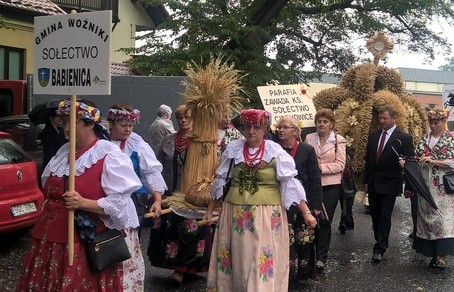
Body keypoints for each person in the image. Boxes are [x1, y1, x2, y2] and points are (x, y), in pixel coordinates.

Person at [17, 100, 142, 291]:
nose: (66, 128)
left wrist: (83, 202)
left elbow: (120, 204)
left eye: (72, 123)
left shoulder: (107, 154)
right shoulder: (63, 152)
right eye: (64, 122)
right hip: (48, 239)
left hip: (83, 244)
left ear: (90, 123)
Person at [203, 109, 317, 291]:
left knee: (259, 259)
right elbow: (221, 181)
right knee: (240, 259)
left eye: (257, 127)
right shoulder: (233, 149)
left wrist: (307, 212)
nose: (251, 132)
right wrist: (209, 211)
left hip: (266, 215)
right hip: (235, 214)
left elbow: (290, 183)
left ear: (265, 129)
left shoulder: (275, 151)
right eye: (247, 127)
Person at [106, 102, 167, 290]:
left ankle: (125, 284)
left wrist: (157, 199)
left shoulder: (136, 143)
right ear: (111, 123)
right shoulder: (101, 141)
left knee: (127, 246)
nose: (128, 129)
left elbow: (151, 172)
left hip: (128, 203)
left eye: (130, 125)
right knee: (104, 245)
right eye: (123, 125)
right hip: (102, 202)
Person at [149, 104, 212, 283]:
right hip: (171, 191)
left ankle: (185, 268)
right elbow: (158, 164)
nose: (183, 121)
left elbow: (210, 166)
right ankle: (177, 267)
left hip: (192, 195)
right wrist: (156, 190)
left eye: (187, 118)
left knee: (191, 230)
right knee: (171, 230)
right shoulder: (169, 139)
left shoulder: (201, 141)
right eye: (180, 118)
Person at [411, 108, 454, 270]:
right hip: (427, 185)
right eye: (431, 122)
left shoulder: (450, 138)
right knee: (428, 219)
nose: (433, 125)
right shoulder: (424, 138)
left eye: (437, 122)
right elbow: (417, 155)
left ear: (443, 122)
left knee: (444, 220)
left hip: (444, 187)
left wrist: (434, 161)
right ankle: (433, 252)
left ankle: (442, 255)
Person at [363, 105, 414, 263]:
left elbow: (410, 163)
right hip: (374, 182)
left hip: (390, 182)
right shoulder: (373, 135)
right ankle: (379, 238)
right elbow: (369, 160)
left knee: (385, 215)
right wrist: (365, 182)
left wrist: (410, 186)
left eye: (385, 118)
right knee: (376, 215)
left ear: (394, 118)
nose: (382, 121)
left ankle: (380, 247)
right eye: (380, 118)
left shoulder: (403, 138)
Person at [276, 116, 323, 284]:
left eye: (285, 127)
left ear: (295, 131)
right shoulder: (275, 149)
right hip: (281, 203)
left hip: (303, 203)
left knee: (303, 240)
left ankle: (303, 273)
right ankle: (286, 274)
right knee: (285, 240)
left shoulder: (306, 149)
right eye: (280, 127)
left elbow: (314, 178)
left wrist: (316, 205)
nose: (281, 130)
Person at [304, 109, 346, 271]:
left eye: (325, 122)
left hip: (331, 185)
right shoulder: (309, 138)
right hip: (312, 185)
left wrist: (319, 168)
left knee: (325, 219)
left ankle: (321, 257)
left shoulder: (338, 140)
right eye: (319, 121)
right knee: (312, 217)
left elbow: (340, 164)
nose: (322, 124)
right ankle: (310, 252)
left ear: (331, 124)